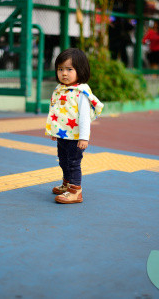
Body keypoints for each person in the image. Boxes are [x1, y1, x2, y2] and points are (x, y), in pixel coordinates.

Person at [45, 48, 104, 204]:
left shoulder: (81, 93)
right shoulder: (60, 90)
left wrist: (84, 137)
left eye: (69, 69)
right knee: (63, 160)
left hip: (76, 137)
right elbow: (57, 111)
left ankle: (75, 191)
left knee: (73, 163)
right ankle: (66, 184)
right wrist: (54, 130)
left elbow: (84, 118)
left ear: (80, 70)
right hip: (63, 134)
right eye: (60, 69)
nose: (64, 73)